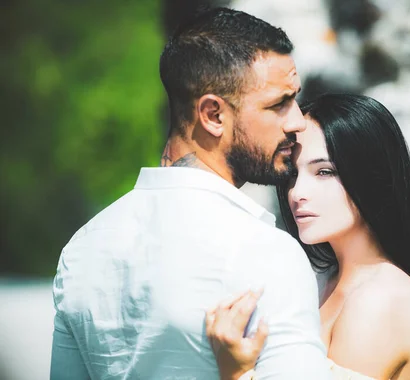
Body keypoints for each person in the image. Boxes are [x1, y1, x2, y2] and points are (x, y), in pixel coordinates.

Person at [50, 7, 333, 380]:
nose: (297, 121)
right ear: (213, 115)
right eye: (279, 104)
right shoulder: (266, 254)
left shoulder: (82, 250)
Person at [206, 94, 410, 379]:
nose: (296, 192)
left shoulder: (383, 297)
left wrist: (237, 372)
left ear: (372, 176)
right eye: (293, 174)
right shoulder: (324, 282)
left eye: (324, 171)